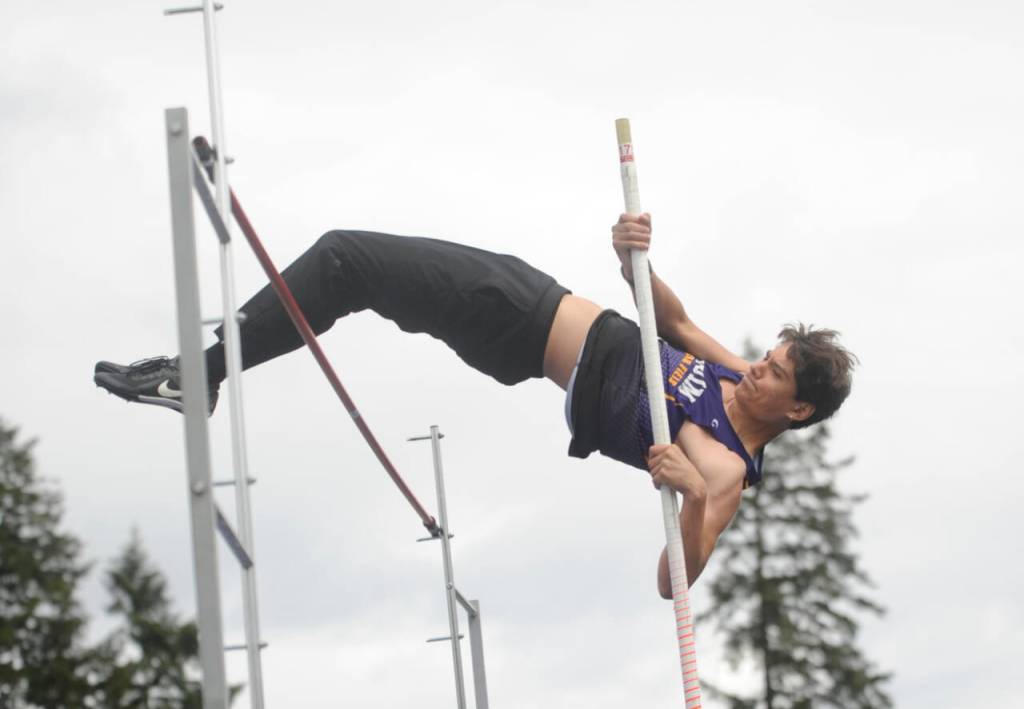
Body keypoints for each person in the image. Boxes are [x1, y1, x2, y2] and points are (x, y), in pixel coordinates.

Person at [94, 214, 856, 592]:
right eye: (767, 357)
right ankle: (200, 374)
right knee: (351, 270)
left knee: (344, 258)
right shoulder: (729, 376)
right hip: (531, 312)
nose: (756, 369)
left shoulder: (722, 471)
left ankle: (197, 376)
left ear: (796, 412)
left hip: (520, 319)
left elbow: (673, 580)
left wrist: (689, 500)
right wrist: (633, 258)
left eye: (775, 375)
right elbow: (676, 321)